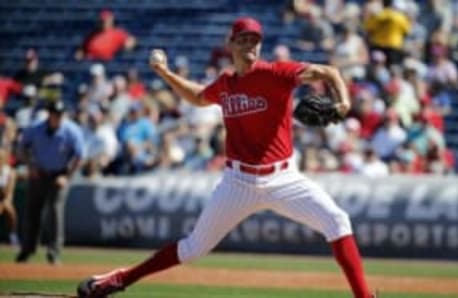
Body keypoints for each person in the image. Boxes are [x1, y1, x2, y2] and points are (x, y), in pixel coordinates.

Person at [77, 17, 375, 298]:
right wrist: (166, 74)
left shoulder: (276, 73)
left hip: (284, 178)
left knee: (338, 221)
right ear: (231, 44)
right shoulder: (226, 84)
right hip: (238, 182)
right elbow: (197, 97)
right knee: (193, 248)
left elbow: (329, 72)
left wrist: (344, 103)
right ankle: (119, 279)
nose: (251, 45)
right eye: (244, 39)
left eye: (255, 40)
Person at [15, 100, 85, 265]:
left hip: (59, 174)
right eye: (55, 115)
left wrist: (67, 177)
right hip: (38, 173)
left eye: (60, 115)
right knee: (32, 212)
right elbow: (21, 148)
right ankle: (27, 250)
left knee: (55, 212)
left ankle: (54, 252)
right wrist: (30, 165)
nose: (58, 118)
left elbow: (79, 156)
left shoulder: (71, 130)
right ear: (49, 115)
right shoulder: (35, 128)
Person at [0, 147, 18, 246]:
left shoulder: (10, 172)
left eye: (1, 157)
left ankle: (13, 235)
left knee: (11, 213)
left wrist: (3, 204)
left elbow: (9, 193)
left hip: (5, 200)